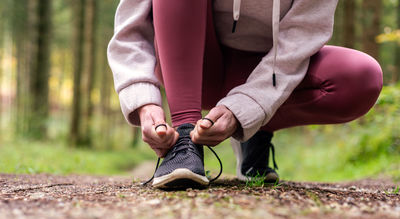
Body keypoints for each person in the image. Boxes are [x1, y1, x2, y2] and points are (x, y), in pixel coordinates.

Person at [107, 0, 383, 189]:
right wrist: (144, 100)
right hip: (195, 67)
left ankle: (254, 132)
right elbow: (131, 28)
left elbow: (303, 35)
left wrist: (247, 108)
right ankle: (185, 137)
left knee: (360, 77)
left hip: (273, 71)